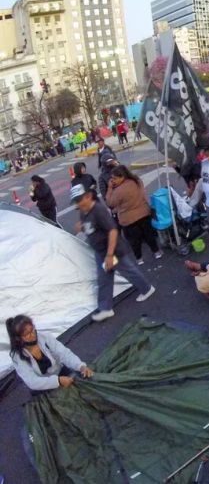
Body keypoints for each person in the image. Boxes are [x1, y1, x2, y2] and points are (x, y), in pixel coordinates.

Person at [71, 184, 155, 321]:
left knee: (128, 270)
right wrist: (82, 227)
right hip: (101, 252)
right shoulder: (83, 211)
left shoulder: (98, 210)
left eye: (80, 199)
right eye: (76, 201)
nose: (78, 203)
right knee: (104, 278)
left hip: (112, 251)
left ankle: (146, 288)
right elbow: (91, 228)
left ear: (88, 196)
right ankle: (106, 308)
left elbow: (113, 231)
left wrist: (110, 255)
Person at [6, 315, 94, 392]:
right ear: (18, 338)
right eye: (27, 334)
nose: (32, 335)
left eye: (32, 330)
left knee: (83, 384)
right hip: (42, 387)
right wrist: (58, 381)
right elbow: (32, 381)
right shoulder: (17, 356)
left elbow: (64, 354)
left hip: (60, 372)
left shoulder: (45, 337)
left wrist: (80, 366)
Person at [105, 165, 161, 265]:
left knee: (134, 241)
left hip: (129, 220)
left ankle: (139, 259)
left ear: (122, 176)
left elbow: (110, 203)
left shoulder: (119, 190)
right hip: (144, 213)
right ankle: (156, 252)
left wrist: (110, 188)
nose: (113, 181)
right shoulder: (137, 181)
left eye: (114, 178)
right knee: (149, 235)